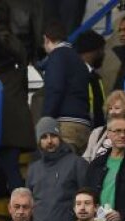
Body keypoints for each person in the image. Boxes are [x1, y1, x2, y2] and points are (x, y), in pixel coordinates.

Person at [0, 0, 35, 196]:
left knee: (10, 167)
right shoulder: (15, 42)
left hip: (2, 115)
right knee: (7, 161)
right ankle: (0, 191)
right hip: (17, 113)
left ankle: (22, 206)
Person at [25, 117, 90, 221]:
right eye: (44, 137)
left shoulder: (77, 164)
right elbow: (28, 204)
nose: (49, 141)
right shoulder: (33, 169)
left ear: (60, 137)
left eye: (53, 136)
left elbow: (89, 200)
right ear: (38, 141)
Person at [40, 20, 91, 154]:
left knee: (61, 171)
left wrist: (45, 120)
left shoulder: (57, 56)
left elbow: (55, 90)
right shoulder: (78, 59)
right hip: (83, 124)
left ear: (46, 39)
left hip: (66, 124)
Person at [84, 91, 125, 162]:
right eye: (110, 108)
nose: (112, 112)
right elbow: (86, 158)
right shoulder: (97, 132)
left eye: (117, 108)